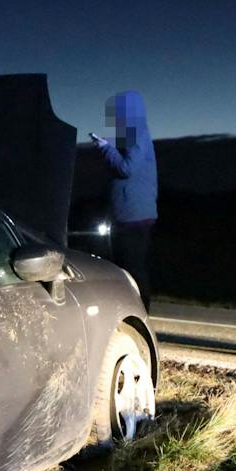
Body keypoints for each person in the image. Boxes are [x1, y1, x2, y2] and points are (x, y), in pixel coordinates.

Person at [92, 90, 158, 308]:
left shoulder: (135, 131)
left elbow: (126, 168)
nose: (113, 117)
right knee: (127, 265)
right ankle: (132, 307)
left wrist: (105, 148)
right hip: (132, 212)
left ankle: (141, 311)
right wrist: (109, 143)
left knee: (132, 266)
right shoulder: (133, 133)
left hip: (134, 214)